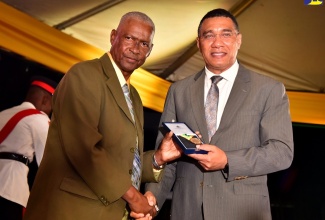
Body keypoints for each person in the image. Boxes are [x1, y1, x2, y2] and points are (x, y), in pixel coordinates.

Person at [23, 11, 181, 220]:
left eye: (143, 44)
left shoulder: (133, 96)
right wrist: (135, 198)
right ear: (113, 36)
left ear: (150, 51)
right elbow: (85, 150)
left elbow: (122, 161)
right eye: (129, 38)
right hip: (70, 212)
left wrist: (158, 158)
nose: (135, 49)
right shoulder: (84, 75)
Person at [145, 8, 294, 220]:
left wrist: (228, 160)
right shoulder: (179, 91)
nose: (217, 42)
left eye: (226, 34)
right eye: (209, 35)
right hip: (187, 211)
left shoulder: (268, 89)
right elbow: (166, 156)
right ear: (198, 43)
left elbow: (281, 152)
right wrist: (151, 199)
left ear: (238, 40)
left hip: (243, 212)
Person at [0, 75, 57, 220]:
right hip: (10, 191)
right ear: (45, 100)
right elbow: (48, 162)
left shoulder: (3, 114)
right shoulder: (40, 119)